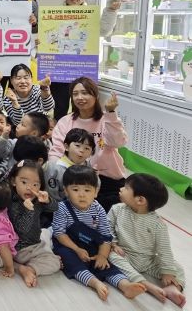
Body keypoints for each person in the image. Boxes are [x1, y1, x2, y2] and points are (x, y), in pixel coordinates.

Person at [51, 165, 146, 301]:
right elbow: (60, 233)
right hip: (68, 245)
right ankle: (94, 283)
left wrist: (102, 255)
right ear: (66, 191)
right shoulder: (62, 208)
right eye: (75, 189)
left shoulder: (98, 209)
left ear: (96, 192)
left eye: (87, 190)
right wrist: (77, 249)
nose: (82, 194)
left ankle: (125, 285)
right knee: (70, 260)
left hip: (91, 244)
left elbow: (105, 237)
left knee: (105, 265)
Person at [108, 174, 187, 307]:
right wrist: (113, 243)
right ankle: (145, 284)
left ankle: (174, 288)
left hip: (148, 260)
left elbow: (164, 250)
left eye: (126, 188)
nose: (121, 189)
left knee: (176, 267)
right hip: (124, 254)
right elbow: (107, 227)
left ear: (140, 200)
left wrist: (167, 272)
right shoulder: (117, 209)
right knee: (110, 255)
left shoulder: (157, 224)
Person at [50, 77, 127, 212]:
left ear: (96, 95)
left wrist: (111, 113)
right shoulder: (65, 122)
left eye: (85, 93)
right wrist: (57, 173)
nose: (80, 97)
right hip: (75, 177)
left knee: (106, 215)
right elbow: (56, 151)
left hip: (108, 179)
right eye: (75, 94)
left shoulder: (106, 119)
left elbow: (118, 142)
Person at [50, 0, 122, 119]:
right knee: (60, 106)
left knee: (83, 106)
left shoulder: (91, 15)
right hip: (60, 68)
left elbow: (104, 31)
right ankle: (59, 131)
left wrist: (111, 11)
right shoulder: (54, 15)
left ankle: (82, 131)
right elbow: (50, 37)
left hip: (83, 67)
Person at [7, 160, 61, 287]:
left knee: (46, 232)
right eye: (24, 182)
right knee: (55, 263)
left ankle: (40, 257)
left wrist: (48, 200)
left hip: (34, 241)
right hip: (21, 248)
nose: (29, 188)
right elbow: (22, 228)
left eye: (35, 184)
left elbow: (55, 208)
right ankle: (27, 269)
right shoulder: (13, 203)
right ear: (14, 181)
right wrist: (29, 211)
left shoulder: (36, 199)